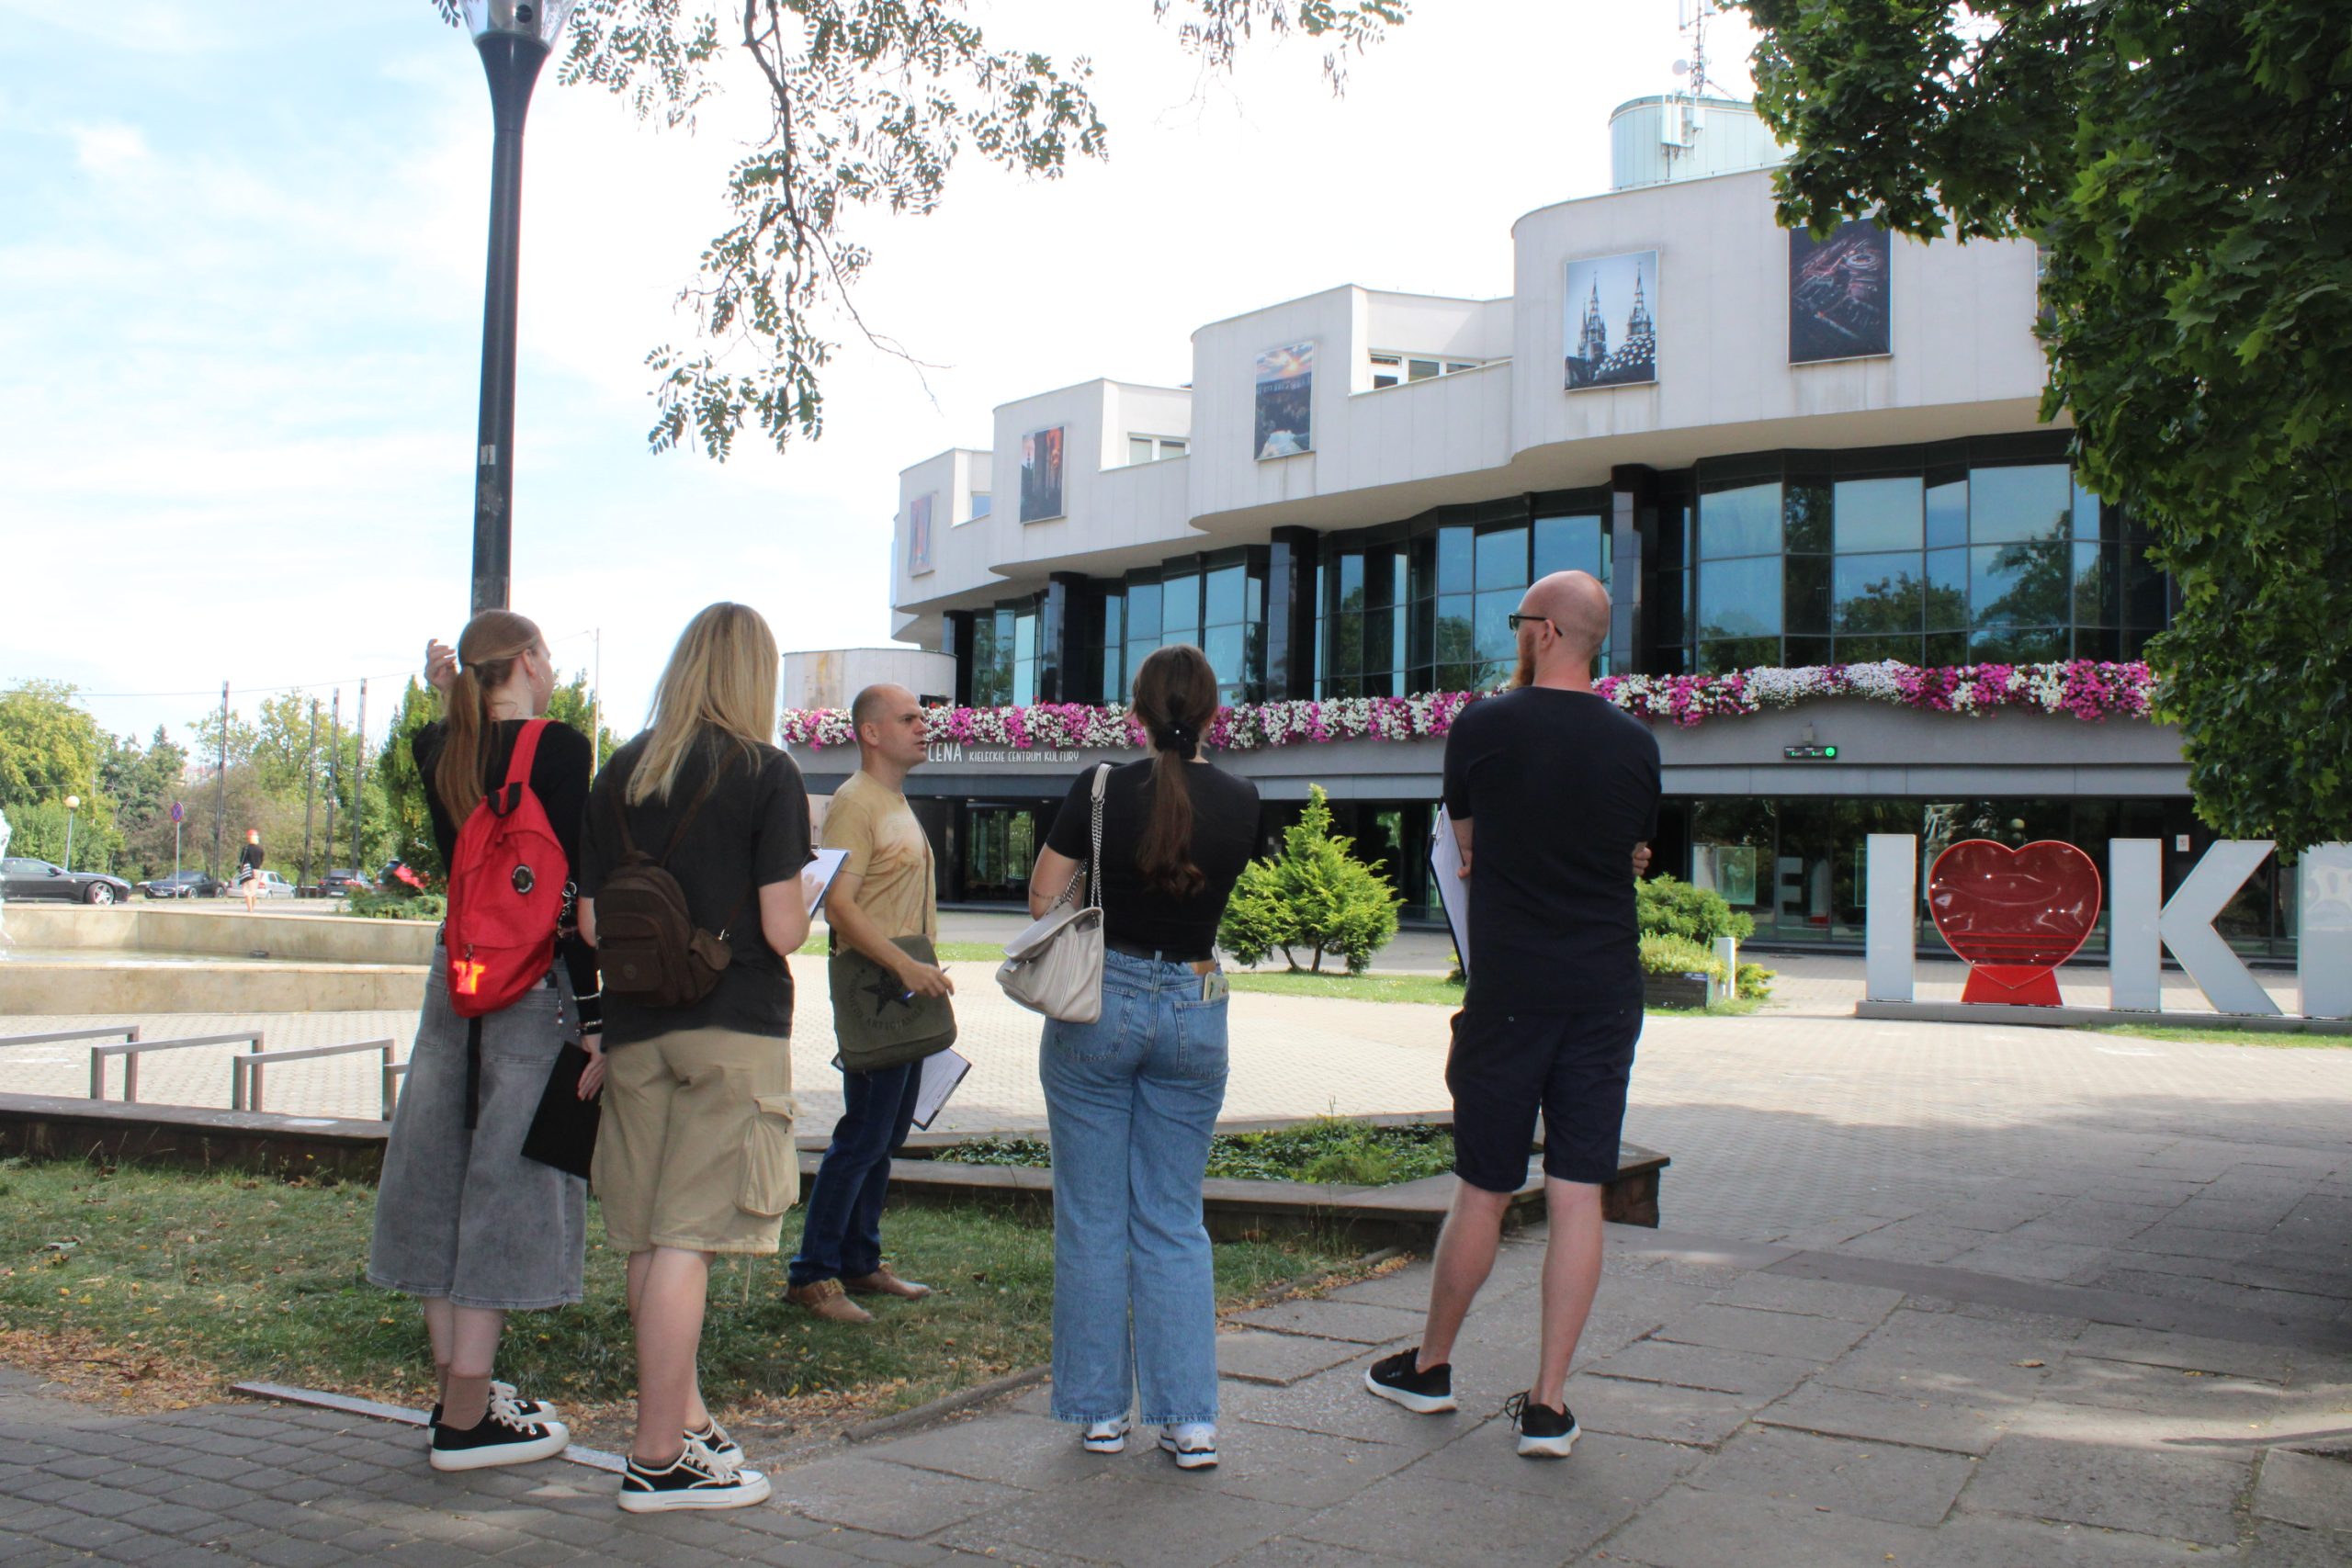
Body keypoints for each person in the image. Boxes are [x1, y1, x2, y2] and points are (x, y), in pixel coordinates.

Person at [1363, 570, 1661, 1459]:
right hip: (1604, 990)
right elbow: (1632, 851)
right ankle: (1549, 1406)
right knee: (1578, 1190)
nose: (1516, 633)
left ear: (1545, 631)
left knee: (1485, 1188)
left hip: (1511, 993)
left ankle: (1431, 1368)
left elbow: (1464, 849)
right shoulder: (1636, 743)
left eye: (1518, 620)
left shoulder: (1484, 726)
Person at [578, 602, 812, 1513]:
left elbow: (592, 923)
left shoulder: (621, 771)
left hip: (638, 1025)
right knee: (689, 1240)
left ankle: (686, 1426)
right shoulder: (766, 771)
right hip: (732, 1024)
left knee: (647, 1237)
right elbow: (782, 929)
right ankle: (656, 1457)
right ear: (754, 675)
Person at [368, 612, 599, 1472]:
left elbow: (462, 766)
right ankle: (469, 1422)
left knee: (437, 1168)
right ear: (530, 660)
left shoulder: (442, 747)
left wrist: (444, 696)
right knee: (508, 1176)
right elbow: (574, 892)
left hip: (456, 971)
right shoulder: (561, 748)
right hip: (533, 980)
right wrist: (596, 1014)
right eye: (547, 654)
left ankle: (455, 1397)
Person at [1023, 644, 1260, 1472]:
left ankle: (1099, 1415)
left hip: (1101, 1001)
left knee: (1093, 1218)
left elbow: (1043, 898)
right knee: (1173, 1216)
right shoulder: (1243, 799)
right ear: (1214, 714)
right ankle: (1189, 1420)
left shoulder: (1100, 787)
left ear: (1136, 713)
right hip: (1196, 1000)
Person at [785, 683, 950, 1324]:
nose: (924, 726)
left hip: (907, 991)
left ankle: (859, 1259)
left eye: (923, 717)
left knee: (886, 1133)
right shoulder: (855, 801)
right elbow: (838, 906)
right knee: (862, 1135)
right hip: (876, 992)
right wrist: (904, 965)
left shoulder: (895, 800)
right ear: (871, 733)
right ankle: (812, 1274)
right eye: (909, 718)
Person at [237, 829, 265, 911]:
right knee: (253, 891)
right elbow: (261, 860)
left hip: (248, 871)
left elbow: (242, 860)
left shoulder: (246, 849)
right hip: (257, 871)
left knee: (247, 891)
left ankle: (250, 909)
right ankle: (252, 907)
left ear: (249, 838)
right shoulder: (260, 849)